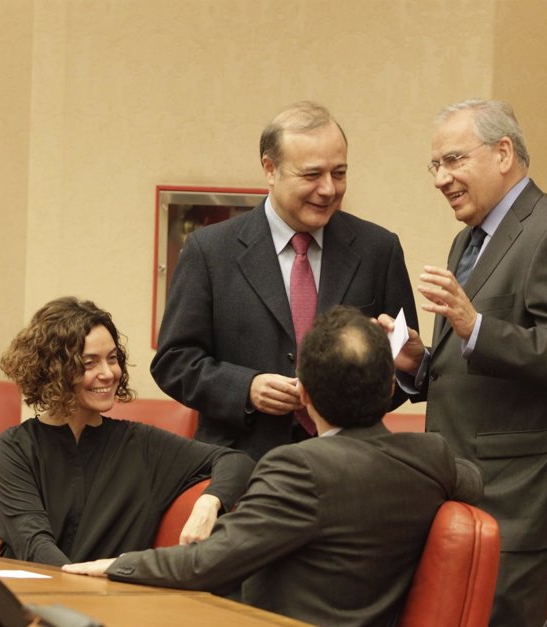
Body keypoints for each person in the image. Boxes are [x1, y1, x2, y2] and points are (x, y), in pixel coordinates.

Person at [63, 306, 483, 627]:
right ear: (390, 383)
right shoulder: (434, 457)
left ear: (304, 395)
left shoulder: (299, 468)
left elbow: (205, 563)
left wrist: (116, 565)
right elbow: (471, 480)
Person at [379, 99, 547, 627]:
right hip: (465, 482)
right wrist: (419, 362)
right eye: (434, 165)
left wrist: (474, 325)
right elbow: (474, 360)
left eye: (453, 160)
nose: (441, 178)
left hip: (522, 494)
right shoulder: (467, 239)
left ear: (503, 152)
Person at [150, 100, 418, 460]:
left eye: (339, 173)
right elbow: (174, 361)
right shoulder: (210, 251)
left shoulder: (378, 250)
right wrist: (246, 388)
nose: (328, 189)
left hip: (350, 468)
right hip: (240, 469)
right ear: (270, 169)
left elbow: (402, 368)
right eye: (312, 175)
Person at [0, 297, 254, 567]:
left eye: (112, 359)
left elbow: (236, 460)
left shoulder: (143, 444)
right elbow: (32, 544)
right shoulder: (16, 446)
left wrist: (210, 502)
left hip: (112, 601)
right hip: (28, 596)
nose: (108, 373)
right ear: (53, 369)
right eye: (89, 363)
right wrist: (80, 583)